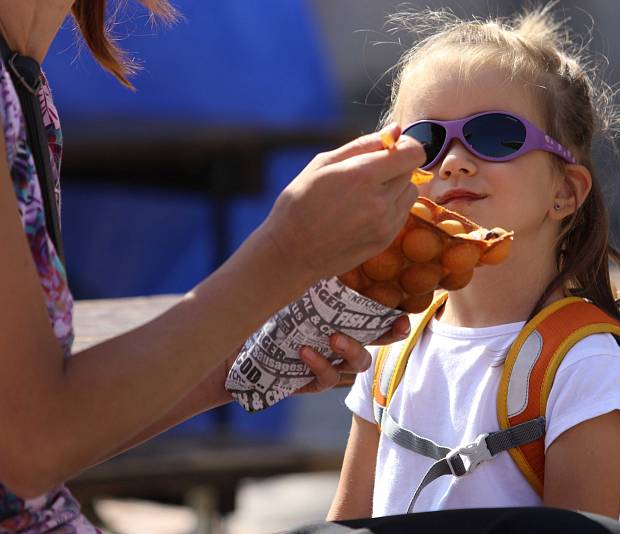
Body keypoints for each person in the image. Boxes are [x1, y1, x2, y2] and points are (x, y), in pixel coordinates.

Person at [0, 1, 424, 531]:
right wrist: (284, 256)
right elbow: (30, 451)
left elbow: (35, 429)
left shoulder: (22, 78)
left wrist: (226, 364)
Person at [328, 5, 620, 523]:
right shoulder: (391, 345)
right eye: (425, 141)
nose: (454, 161)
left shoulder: (585, 369)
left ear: (565, 191)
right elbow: (347, 524)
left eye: (495, 136)